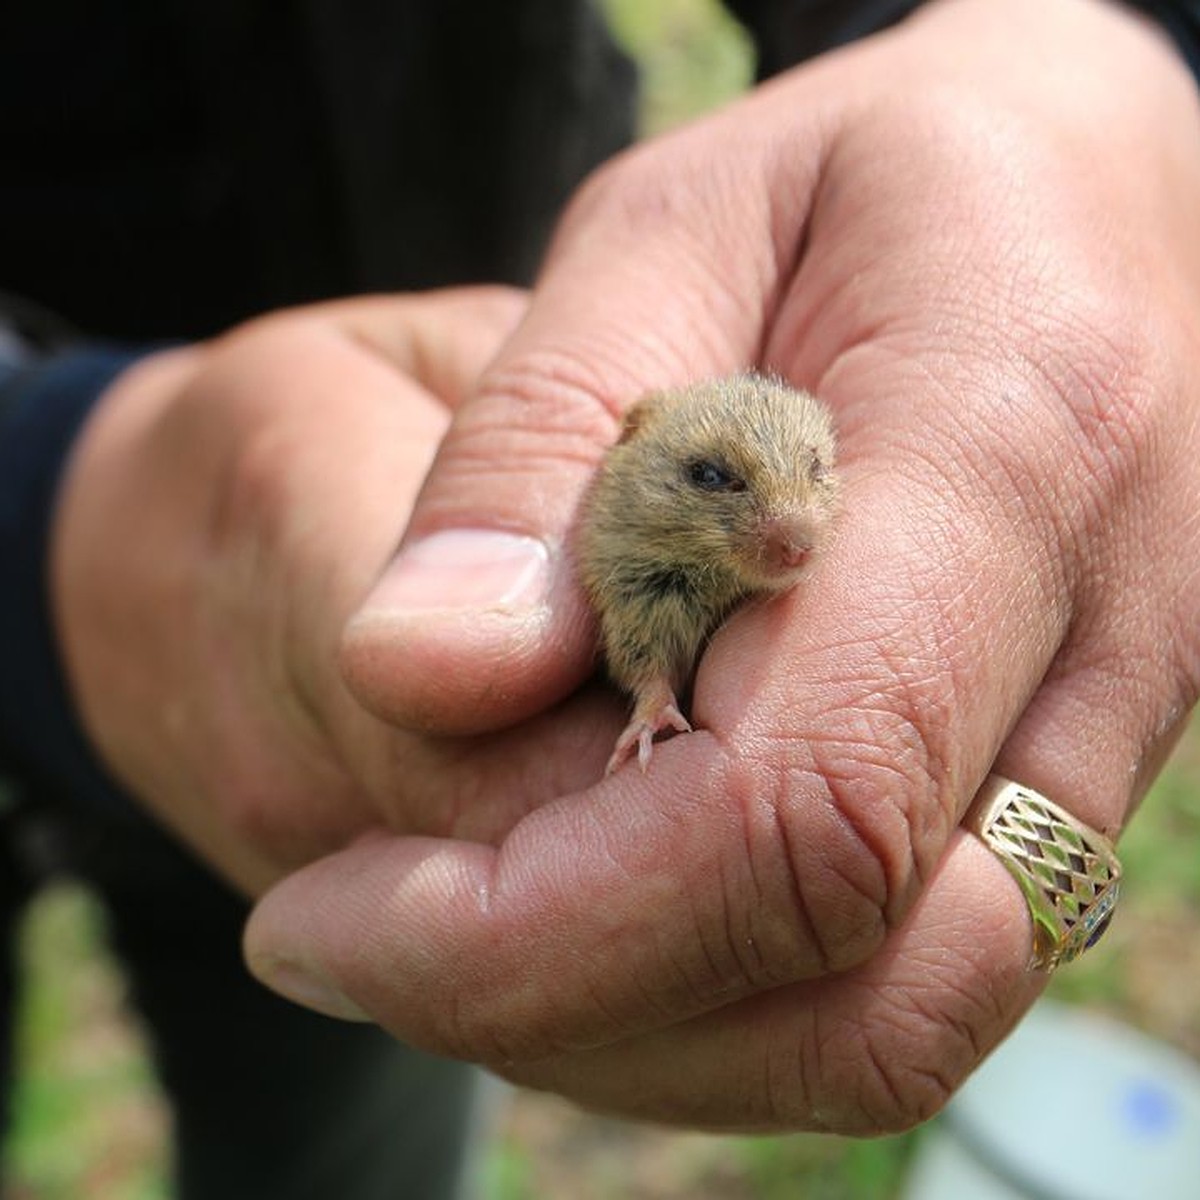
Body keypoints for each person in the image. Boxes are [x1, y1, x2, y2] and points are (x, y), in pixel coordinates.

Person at [3, 0, 1200, 1194]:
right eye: (722, 484)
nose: (787, 523)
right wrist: (44, 479)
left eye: (814, 481)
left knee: (347, 1109)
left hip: (347, 728)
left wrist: (1082, 39)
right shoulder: (637, 525)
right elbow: (641, 624)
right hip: (141, 523)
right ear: (634, 458)